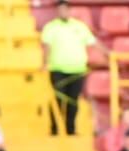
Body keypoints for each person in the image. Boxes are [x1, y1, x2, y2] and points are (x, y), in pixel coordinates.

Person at [40, 1, 98, 137]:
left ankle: (70, 130)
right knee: (56, 100)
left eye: (65, 10)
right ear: (56, 11)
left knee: (73, 101)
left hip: (77, 70)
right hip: (57, 69)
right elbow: (46, 47)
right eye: (60, 10)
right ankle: (54, 129)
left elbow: (92, 42)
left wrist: (108, 54)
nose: (63, 12)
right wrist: (44, 63)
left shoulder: (79, 26)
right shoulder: (50, 27)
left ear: (69, 10)